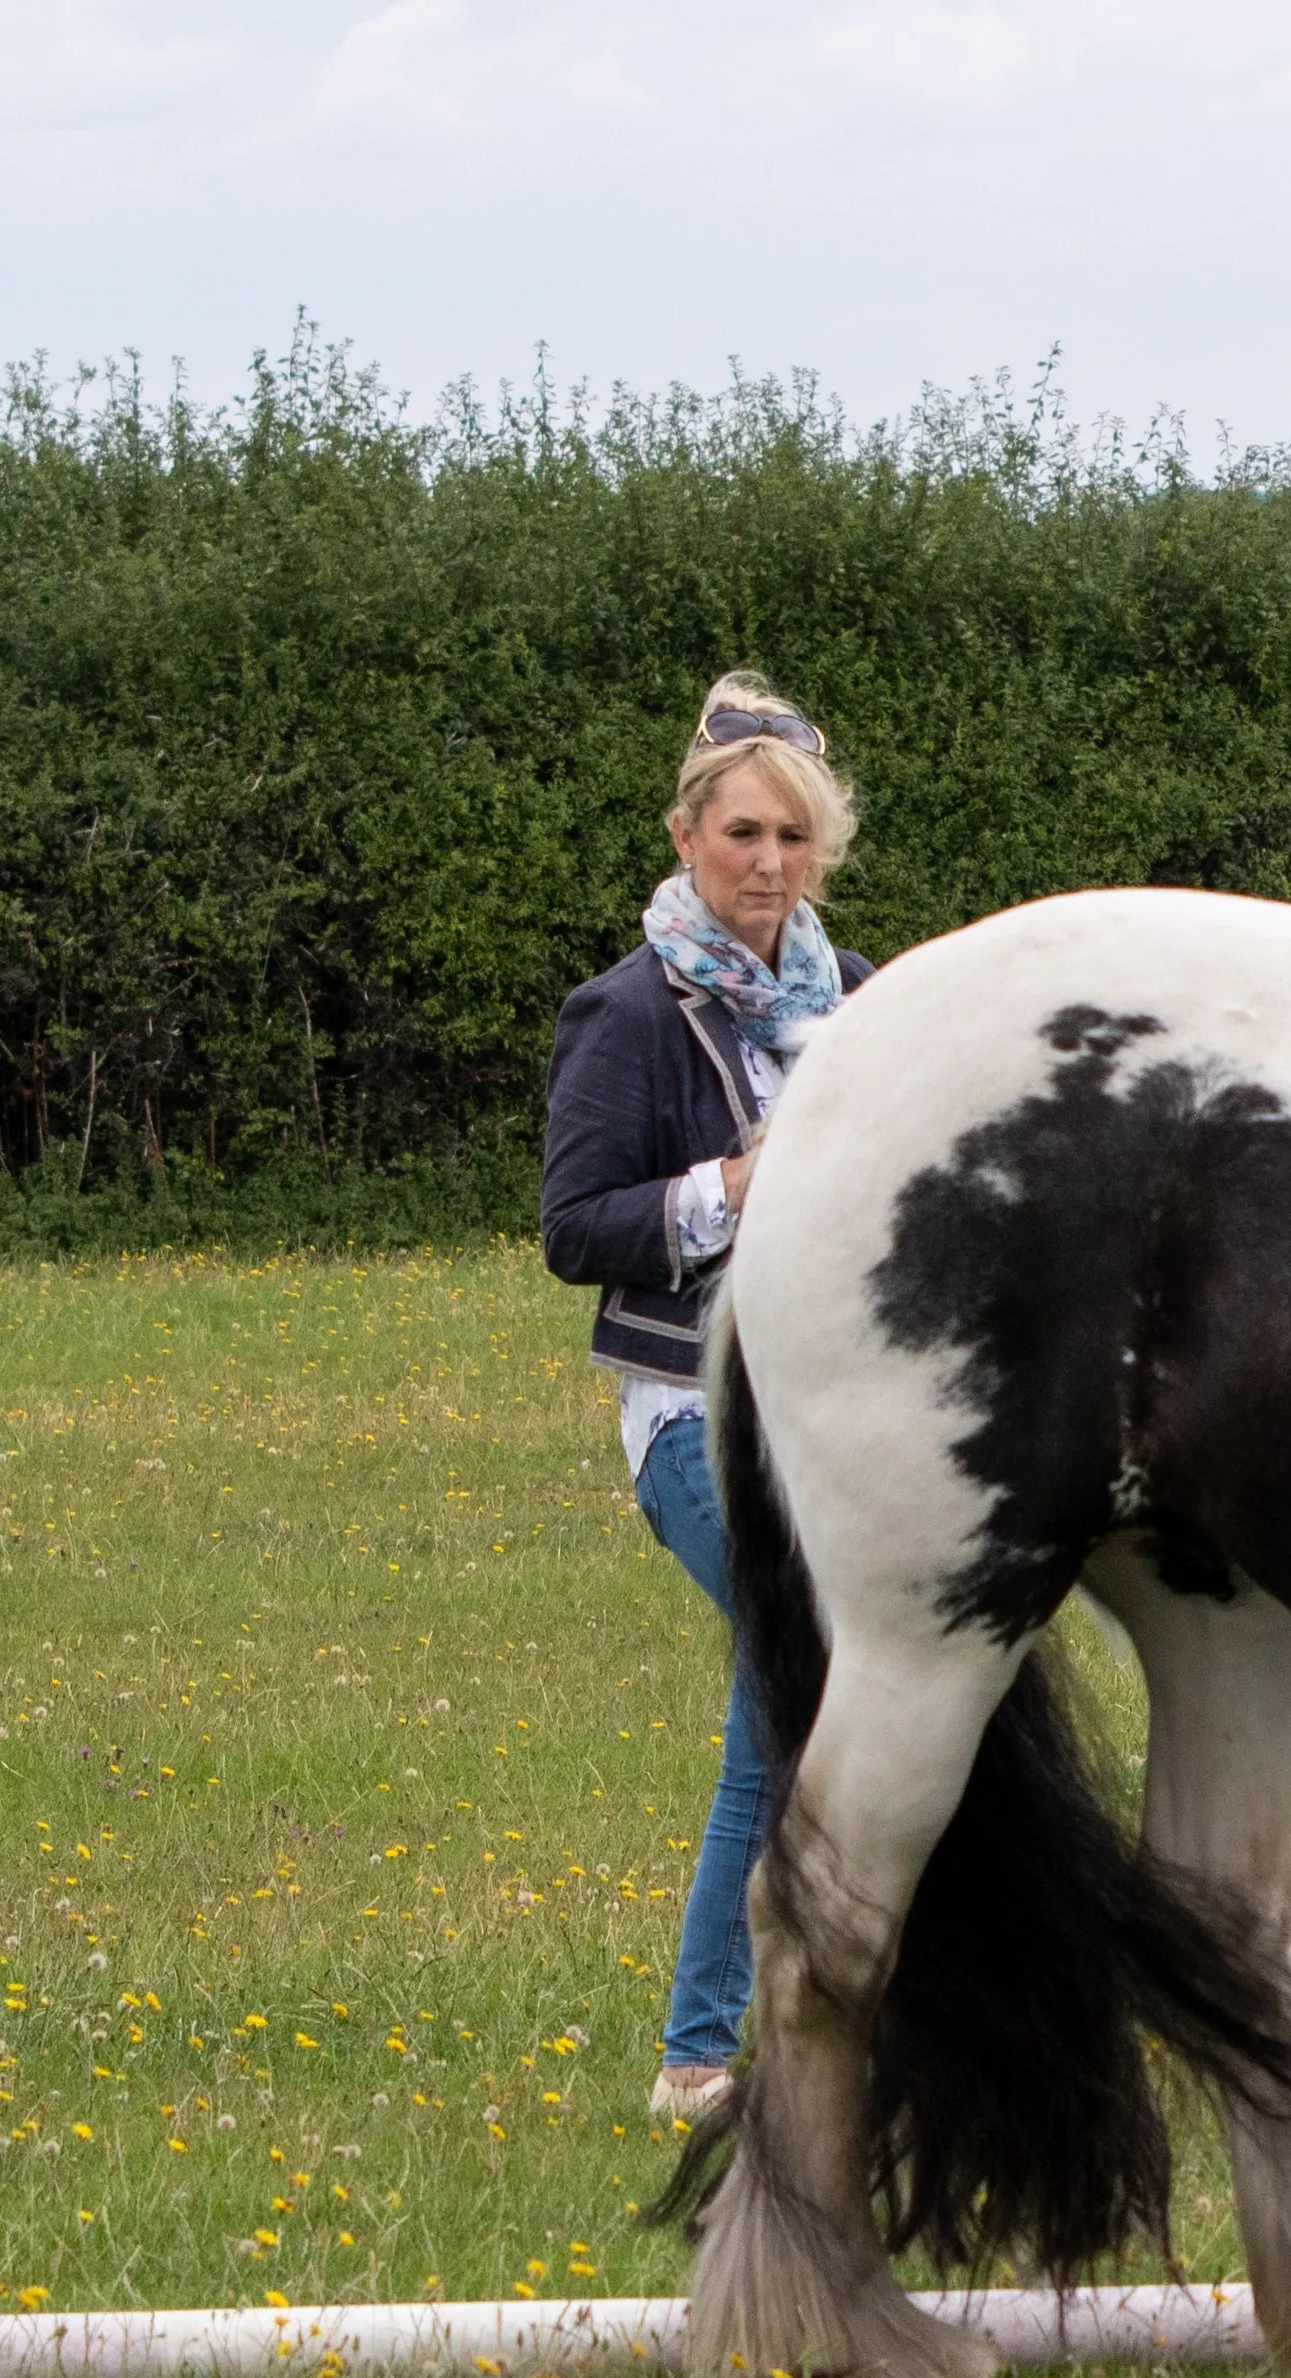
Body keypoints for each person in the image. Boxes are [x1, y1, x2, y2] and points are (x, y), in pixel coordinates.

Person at [540, 672, 877, 2129]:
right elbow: (575, 1226)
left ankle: (740, 2040)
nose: (767, 863)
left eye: (793, 839)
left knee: (811, 1694)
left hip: (844, 1412)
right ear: (685, 837)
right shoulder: (625, 1011)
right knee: (793, 1668)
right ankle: (699, 2047)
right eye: (742, 832)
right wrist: (731, 1191)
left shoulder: (861, 998)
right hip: (688, 1411)